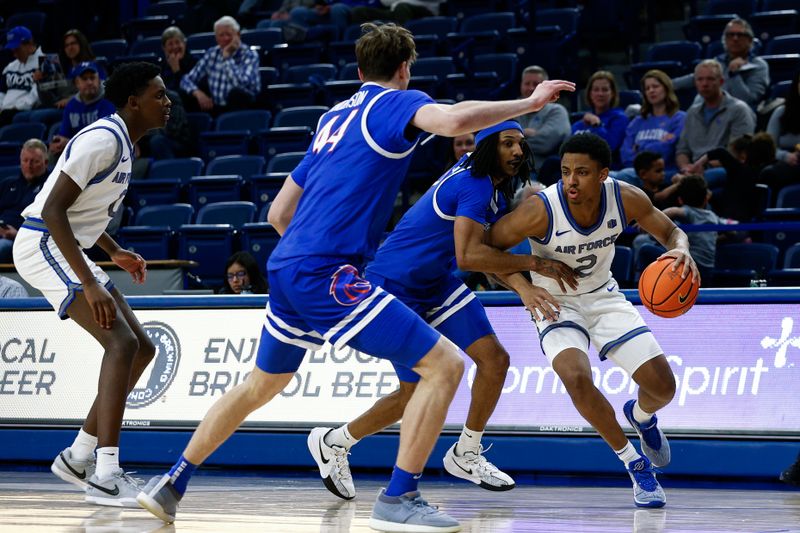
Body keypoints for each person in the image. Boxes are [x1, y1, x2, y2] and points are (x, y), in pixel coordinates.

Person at [135, 22, 574, 531]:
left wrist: (309, 255)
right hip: (327, 270)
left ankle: (171, 483)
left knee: (260, 385)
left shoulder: (331, 117)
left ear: (361, 69)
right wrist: (529, 103)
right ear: (404, 70)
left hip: (287, 264)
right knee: (446, 367)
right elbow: (454, 121)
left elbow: (279, 211)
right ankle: (398, 498)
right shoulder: (391, 104)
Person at [306, 121, 577, 500]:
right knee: (413, 391)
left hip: (436, 282)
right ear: (487, 148)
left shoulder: (487, 182)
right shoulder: (474, 184)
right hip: (396, 287)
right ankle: (335, 441)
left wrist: (523, 288)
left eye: (520, 145)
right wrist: (534, 267)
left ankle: (467, 451)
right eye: (507, 144)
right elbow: (471, 255)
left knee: (495, 360)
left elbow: (481, 255)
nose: (517, 152)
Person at [487, 132, 699, 508]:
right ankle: (634, 464)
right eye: (566, 171)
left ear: (602, 174)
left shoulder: (626, 197)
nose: (571, 180)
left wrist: (682, 251)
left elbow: (670, 231)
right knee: (576, 377)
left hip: (605, 297)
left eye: (582, 172)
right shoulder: (541, 209)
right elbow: (485, 250)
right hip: (556, 302)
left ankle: (642, 415)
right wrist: (524, 288)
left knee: (664, 388)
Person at [12, 62, 171, 507]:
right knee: (119, 344)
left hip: (68, 245)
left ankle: (78, 455)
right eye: (158, 95)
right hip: (41, 243)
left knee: (142, 348)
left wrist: (113, 250)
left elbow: (80, 211)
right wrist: (90, 281)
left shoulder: (124, 146)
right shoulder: (102, 139)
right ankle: (106, 474)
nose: (167, 101)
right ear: (133, 102)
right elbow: (53, 210)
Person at [675, 59, 755, 187]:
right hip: (695, 169)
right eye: (700, 80)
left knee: (690, 183)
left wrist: (704, 165)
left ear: (721, 81)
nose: (705, 84)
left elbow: (739, 153)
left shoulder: (739, 109)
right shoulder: (692, 112)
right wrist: (685, 167)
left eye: (710, 79)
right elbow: (682, 150)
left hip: (725, 169)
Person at [673, 18, 769, 109]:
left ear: (750, 40)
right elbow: (692, 78)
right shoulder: (717, 62)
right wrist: (663, 83)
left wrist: (734, 74)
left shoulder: (759, 66)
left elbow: (746, 100)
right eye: (730, 35)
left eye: (740, 35)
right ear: (725, 40)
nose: (735, 39)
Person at [685, 132, 775, 222]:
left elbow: (720, 152)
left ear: (743, 156)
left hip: (732, 222)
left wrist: (697, 164)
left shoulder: (740, 171)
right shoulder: (760, 172)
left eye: (732, 156)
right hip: (743, 220)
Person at [180, 16, 260, 115]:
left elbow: (239, 85)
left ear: (238, 35)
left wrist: (227, 58)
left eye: (229, 34)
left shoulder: (250, 55)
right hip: (216, 107)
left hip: (243, 107)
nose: (225, 38)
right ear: (216, 38)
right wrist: (197, 93)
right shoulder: (212, 53)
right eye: (221, 35)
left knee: (236, 94)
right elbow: (186, 80)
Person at [621, 69, 686, 174]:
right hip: (636, 171)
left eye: (655, 86)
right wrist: (657, 144)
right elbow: (625, 153)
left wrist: (640, 148)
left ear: (666, 88)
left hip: (665, 172)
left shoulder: (680, 118)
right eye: (647, 88)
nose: (651, 90)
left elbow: (666, 151)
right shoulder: (638, 121)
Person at [49, 62, 116, 161]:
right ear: (77, 83)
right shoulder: (72, 105)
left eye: (92, 78)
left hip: (103, 152)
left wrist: (69, 142)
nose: (89, 82)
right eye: (84, 79)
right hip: (78, 152)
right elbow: (64, 134)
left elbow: (104, 138)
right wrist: (58, 143)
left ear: (99, 80)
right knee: (53, 154)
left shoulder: (108, 101)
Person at [515, 65, 571, 175]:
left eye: (536, 84)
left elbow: (545, 144)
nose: (531, 88)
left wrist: (513, 139)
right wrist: (525, 133)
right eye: (527, 84)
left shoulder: (557, 111)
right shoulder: (512, 110)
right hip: (509, 172)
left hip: (540, 173)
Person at [0, 139, 49, 262]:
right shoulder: (7, 184)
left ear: (46, 162)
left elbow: (47, 223)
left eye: (35, 161)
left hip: (22, 240)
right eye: (25, 161)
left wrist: (17, 235)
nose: (29, 166)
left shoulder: (50, 187)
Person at [571, 71, 627, 169]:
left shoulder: (619, 118)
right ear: (590, 93)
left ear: (613, 93)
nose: (600, 94)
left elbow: (610, 147)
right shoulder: (579, 124)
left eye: (605, 90)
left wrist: (597, 125)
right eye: (596, 90)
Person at [763, 70, 800, 194]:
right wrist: (785, 156)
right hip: (785, 161)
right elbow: (768, 147)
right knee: (766, 173)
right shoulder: (782, 112)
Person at [0, 26, 44, 127]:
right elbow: (1, 92)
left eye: (17, 50)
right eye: (12, 50)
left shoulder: (43, 63)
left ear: (29, 43)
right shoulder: (10, 67)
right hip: (4, 112)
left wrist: (15, 107)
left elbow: (36, 97)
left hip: (20, 111)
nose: (15, 54)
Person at [55, 29, 96, 108]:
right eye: (66, 45)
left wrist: (71, 100)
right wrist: (40, 82)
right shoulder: (65, 70)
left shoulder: (94, 66)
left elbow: (97, 90)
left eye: (73, 43)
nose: (70, 47)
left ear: (81, 44)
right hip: (61, 107)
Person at [159, 26, 197, 106]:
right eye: (170, 44)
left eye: (177, 42)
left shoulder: (196, 62)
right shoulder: (160, 67)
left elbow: (189, 92)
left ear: (184, 43)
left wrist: (176, 71)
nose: (175, 47)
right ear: (164, 48)